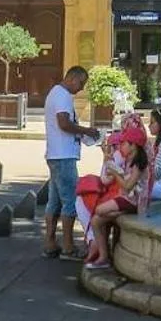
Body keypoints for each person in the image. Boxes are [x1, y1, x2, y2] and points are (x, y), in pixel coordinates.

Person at [43, 66, 102, 260]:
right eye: (82, 83)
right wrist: (86, 131)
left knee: (55, 201)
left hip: (56, 154)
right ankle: (68, 247)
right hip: (63, 156)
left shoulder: (56, 93)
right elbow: (64, 123)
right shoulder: (62, 96)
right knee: (70, 201)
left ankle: (50, 243)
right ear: (72, 79)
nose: (82, 88)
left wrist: (82, 134)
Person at [85, 119, 152, 269]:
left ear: (133, 145)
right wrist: (108, 161)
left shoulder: (138, 163)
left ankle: (119, 214)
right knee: (96, 220)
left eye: (124, 144)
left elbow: (128, 187)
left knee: (99, 210)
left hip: (133, 201)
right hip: (126, 199)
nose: (121, 147)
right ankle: (103, 257)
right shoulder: (129, 160)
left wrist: (115, 174)